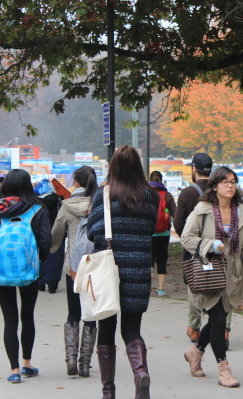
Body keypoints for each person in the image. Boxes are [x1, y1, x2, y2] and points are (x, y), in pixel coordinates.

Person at [87, 145, 159, 399]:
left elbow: (92, 232)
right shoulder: (151, 196)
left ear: (113, 167)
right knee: (132, 328)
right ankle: (140, 373)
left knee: (106, 329)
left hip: (109, 271)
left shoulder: (103, 194)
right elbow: (149, 229)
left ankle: (108, 392)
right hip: (138, 269)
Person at [181, 166, 243, 388]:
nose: (230, 186)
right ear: (215, 185)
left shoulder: (242, 211)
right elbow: (186, 238)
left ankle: (194, 352)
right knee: (218, 320)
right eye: (225, 182)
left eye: (233, 182)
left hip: (233, 274)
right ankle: (223, 368)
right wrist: (209, 245)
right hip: (209, 270)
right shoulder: (203, 209)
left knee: (218, 318)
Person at [0, 169, 52, 383]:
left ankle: (14, 370)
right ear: (28, 185)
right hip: (29, 270)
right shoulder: (38, 208)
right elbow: (46, 241)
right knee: (27, 316)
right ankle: (28, 363)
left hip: (2, 271)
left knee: (9, 319)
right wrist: (39, 258)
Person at [50, 166, 99, 378]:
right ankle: (85, 364)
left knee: (73, 313)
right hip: (95, 267)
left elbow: (55, 236)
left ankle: (71, 358)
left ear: (76, 183)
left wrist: (51, 249)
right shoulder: (99, 206)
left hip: (73, 267)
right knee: (90, 314)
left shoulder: (67, 206)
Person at [174, 153, 213, 342]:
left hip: (194, 249)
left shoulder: (188, 193)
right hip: (217, 246)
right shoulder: (220, 190)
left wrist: (189, 240)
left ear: (194, 169)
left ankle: (195, 328)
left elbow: (178, 223)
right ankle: (225, 330)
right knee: (222, 286)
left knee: (195, 286)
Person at [149, 171, 176, 297]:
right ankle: (160, 289)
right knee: (161, 260)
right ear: (161, 180)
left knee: (149, 260)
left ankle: (147, 287)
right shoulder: (167, 195)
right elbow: (176, 214)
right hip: (164, 233)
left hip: (149, 233)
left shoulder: (146, 194)